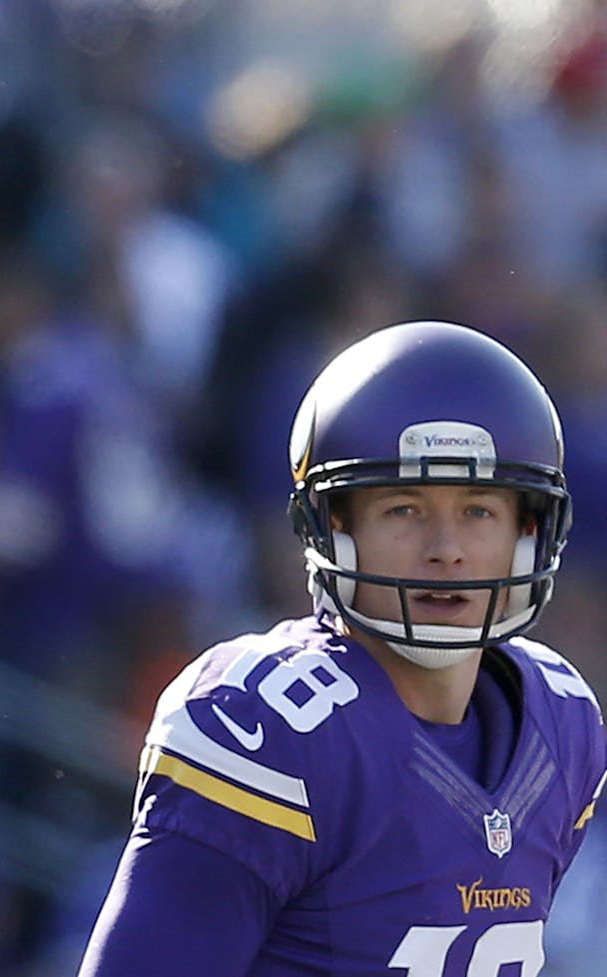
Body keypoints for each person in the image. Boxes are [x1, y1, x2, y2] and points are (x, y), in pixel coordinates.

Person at [75, 320, 607, 976]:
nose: (447, 548)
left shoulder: (564, 723)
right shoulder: (278, 726)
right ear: (334, 527)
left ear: (530, 533)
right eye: (404, 509)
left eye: (479, 510)